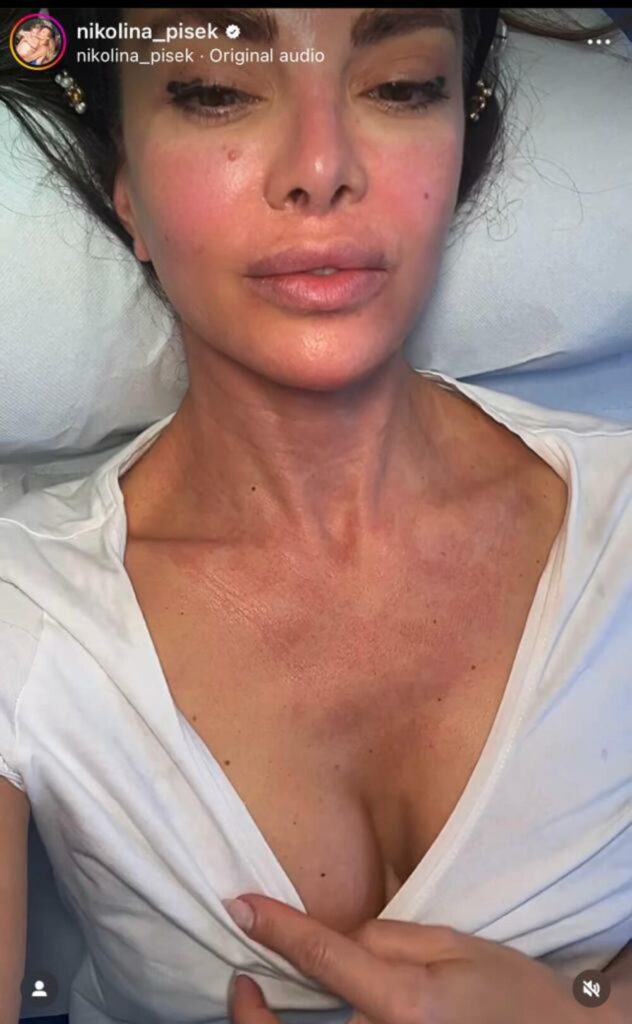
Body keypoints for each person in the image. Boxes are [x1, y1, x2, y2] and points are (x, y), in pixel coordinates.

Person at [0, 8, 630, 1024]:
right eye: (216, 91)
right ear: (128, 194)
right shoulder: (24, 613)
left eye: (400, 87)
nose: (322, 167)